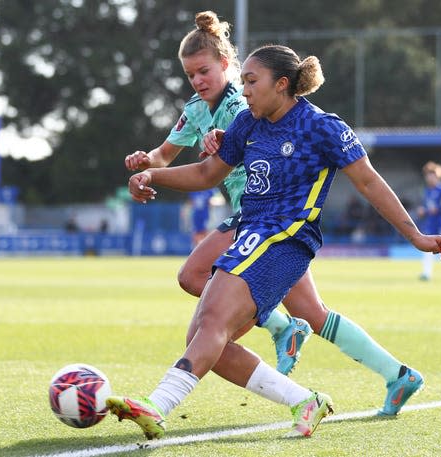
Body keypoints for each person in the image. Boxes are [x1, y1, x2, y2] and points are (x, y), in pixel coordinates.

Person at [108, 44, 441, 440]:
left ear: (283, 83)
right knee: (206, 339)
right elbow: (206, 173)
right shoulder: (248, 125)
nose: (246, 91)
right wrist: (153, 176)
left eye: (252, 82)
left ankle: (156, 406)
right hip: (251, 233)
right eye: (243, 82)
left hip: (286, 240)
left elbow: (369, 182)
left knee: (216, 321)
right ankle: (305, 400)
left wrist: (415, 235)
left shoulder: (323, 127)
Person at [123, 11, 312, 376]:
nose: (197, 80)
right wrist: (144, 160)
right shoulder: (194, 111)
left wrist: (224, 140)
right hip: (246, 215)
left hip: (265, 214)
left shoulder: (242, 105)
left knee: (215, 317)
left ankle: (290, 345)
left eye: (204, 71)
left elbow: (246, 143)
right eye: (190, 74)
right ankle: (287, 331)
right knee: (193, 279)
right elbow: (164, 156)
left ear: (225, 64)